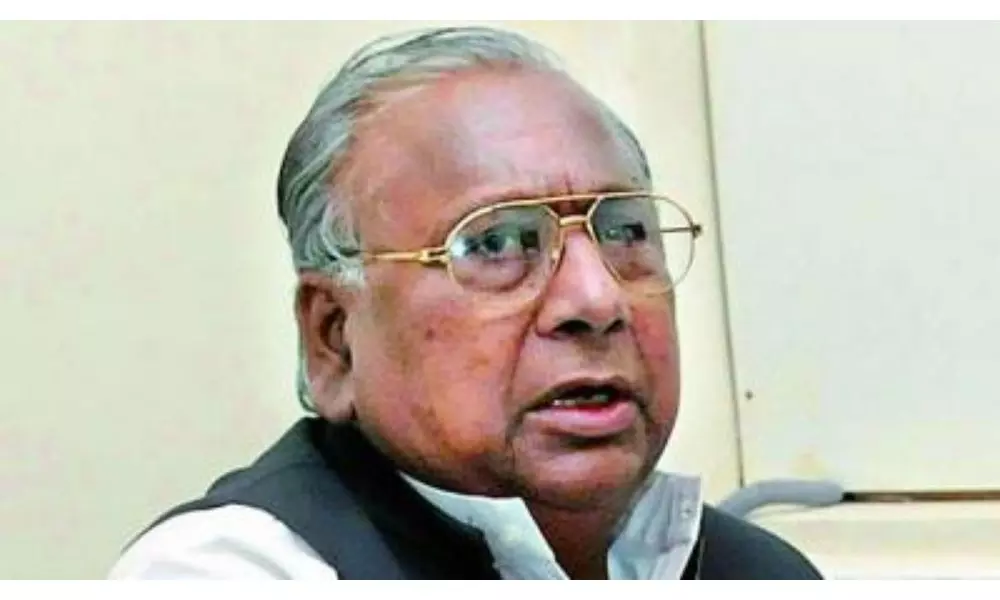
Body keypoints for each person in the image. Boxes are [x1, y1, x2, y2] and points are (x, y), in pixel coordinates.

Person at [108, 25, 822, 580]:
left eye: (625, 231)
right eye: (496, 243)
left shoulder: (759, 572)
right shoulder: (233, 574)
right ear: (335, 338)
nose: (596, 297)